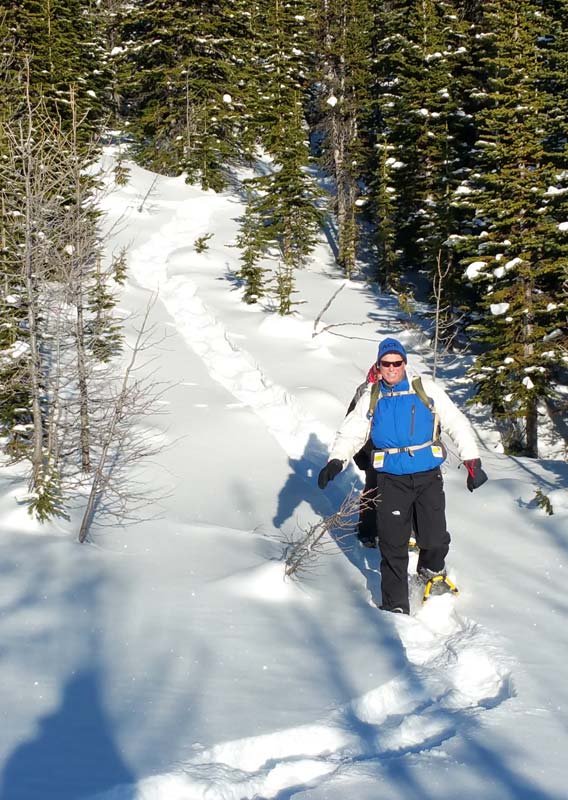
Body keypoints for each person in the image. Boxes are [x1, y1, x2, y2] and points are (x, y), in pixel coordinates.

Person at [318, 337, 488, 615]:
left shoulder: (425, 389)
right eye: (386, 363)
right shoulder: (372, 395)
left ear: (404, 363)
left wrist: (472, 460)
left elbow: (455, 421)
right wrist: (336, 460)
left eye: (397, 362)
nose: (392, 368)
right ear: (379, 365)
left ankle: (430, 569)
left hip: (427, 475)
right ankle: (395, 606)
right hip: (390, 479)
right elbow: (352, 431)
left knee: (434, 537)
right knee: (393, 544)